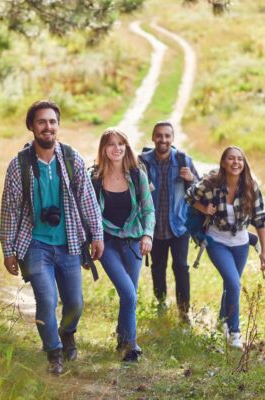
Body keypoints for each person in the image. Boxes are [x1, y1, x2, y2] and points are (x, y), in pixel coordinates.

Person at [0, 100, 104, 374]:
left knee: (75, 303)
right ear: (32, 127)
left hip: (69, 242)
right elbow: (9, 210)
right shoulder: (18, 166)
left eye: (52, 122)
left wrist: (97, 235)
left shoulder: (72, 159)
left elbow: (88, 201)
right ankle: (54, 351)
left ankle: (67, 332)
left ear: (58, 125)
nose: (48, 127)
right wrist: (8, 250)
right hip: (35, 244)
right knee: (46, 299)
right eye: (42, 122)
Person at [185, 146, 265, 349]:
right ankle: (234, 333)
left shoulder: (250, 187)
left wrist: (264, 251)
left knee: (229, 285)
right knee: (233, 284)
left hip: (240, 244)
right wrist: (204, 208)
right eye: (231, 158)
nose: (236, 162)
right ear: (223, 162)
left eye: (239, 159)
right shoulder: (212, 183)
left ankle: (222, 321)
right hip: (217, 241)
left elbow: (260, 220)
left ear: (243, 163)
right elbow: (189, 196)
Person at [90, 127, 155, 362]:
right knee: (128, 293)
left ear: (126, 147)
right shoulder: (95, 179)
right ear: (103, 149)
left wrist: (147, 235)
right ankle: (132, 347)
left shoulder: (137, 175)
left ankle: (122, 338)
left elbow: (149, 210)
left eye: (121, 144)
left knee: (129, 295)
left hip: (134, 242)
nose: (116, 148)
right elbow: (89, 214)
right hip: (107, 243)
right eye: (110, 144)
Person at [139, 121, 199, 323]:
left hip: (179, 226)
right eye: (159, 135)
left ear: (172, 139)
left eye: (167, 136)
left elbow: (200, 191)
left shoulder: (183, 160)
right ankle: (161, 301)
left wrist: (191, 179)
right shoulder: (143, 162)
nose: (163, 139)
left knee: (181, 267)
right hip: (154, 227)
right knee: (157, 266)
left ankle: (184, 311)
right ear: (153, 137)